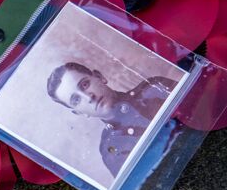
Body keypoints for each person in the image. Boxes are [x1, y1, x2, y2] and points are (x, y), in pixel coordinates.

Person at [46, 62, 177, 177]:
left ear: (99, 77)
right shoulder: (112, 150)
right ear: (79, 112)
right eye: (76, 100)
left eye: (85, 85)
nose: (88, 97)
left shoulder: (154, 88)